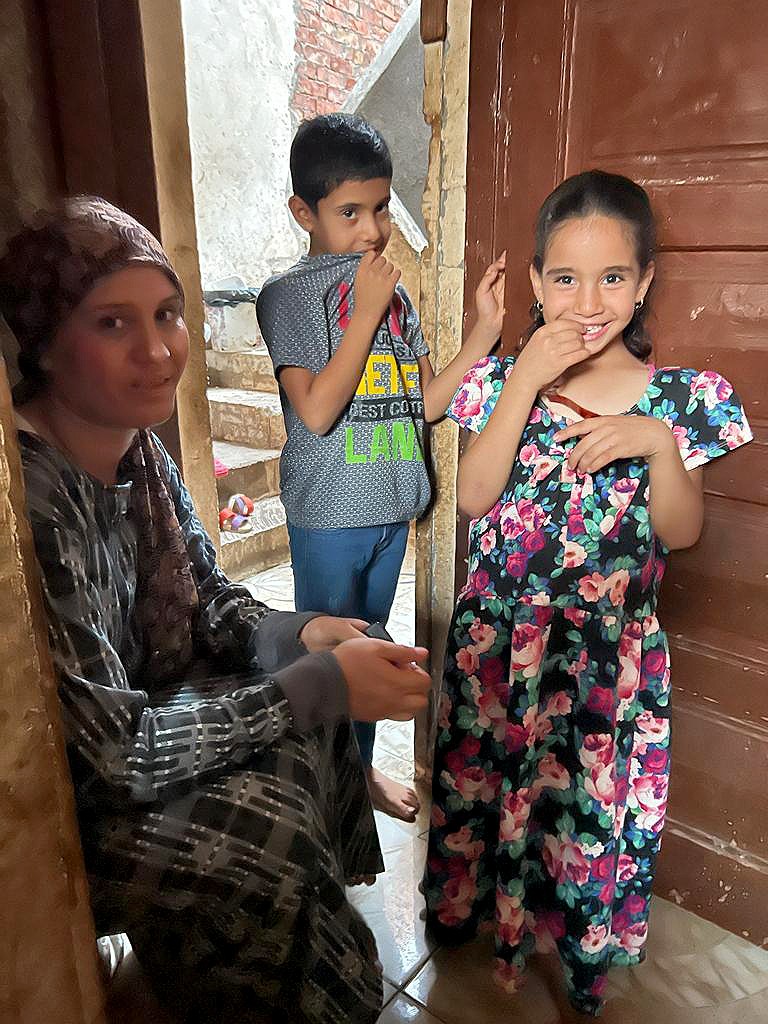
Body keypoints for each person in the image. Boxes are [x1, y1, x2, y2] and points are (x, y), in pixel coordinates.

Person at [0, 196, 433, 1024]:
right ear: (45, 340)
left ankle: (280, 965)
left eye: (166, 314)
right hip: (64, 806)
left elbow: (208, 599)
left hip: (140, 723)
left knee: (314, 701)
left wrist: (300, 633)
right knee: (271, 825)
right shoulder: (33, 500)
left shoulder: (138, 450)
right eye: (113, 323)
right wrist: (318, 684)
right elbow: (113, 757)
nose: (159, 350)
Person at [422, 170, 752, 1015]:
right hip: (501, 652)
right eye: (565, 278)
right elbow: (474, 496)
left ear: (643, 284)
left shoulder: (679, 401)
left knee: (578, 819)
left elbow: (682, 532)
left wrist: (658, 446)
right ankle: (472, 921)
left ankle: (575, 947)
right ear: (536, 283)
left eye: (613, 277)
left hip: (604, 665)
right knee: (489, 790)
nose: (589, 301)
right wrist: (523, 377)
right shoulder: (500, 382)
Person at [257, 113, 505, 821]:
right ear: (304, 213)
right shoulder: (290, 295)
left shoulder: (394, 297)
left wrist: (483, 334)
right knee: (331, 661)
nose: (371, 230)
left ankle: (358, 778)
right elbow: (315, 412)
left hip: (390, 508)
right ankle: (326, 800)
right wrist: (364, 312)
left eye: (380, 209)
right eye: (349, 212)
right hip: (330, 516)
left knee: (370, 653)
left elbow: (425, 404)